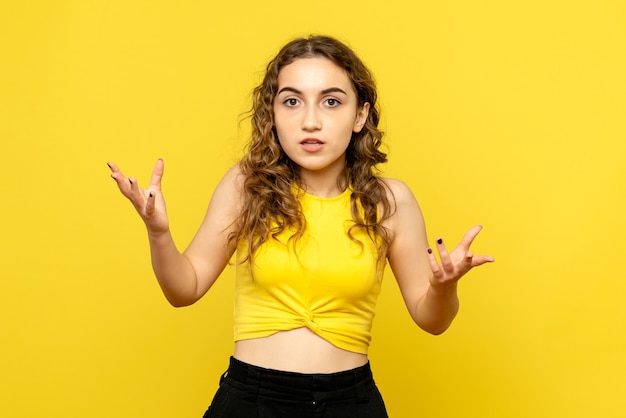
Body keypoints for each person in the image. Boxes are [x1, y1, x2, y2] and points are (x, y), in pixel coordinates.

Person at [108, 35, 494, 417]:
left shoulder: (389, 201)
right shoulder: (247, 186)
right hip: (252, 401)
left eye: (331, 101)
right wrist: (158, 233)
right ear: (272, 114)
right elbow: (183, 289)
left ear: (360, 114)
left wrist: (444, 287)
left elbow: (432, 320)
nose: (311, 121)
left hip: (350, 402)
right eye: (292, 101)